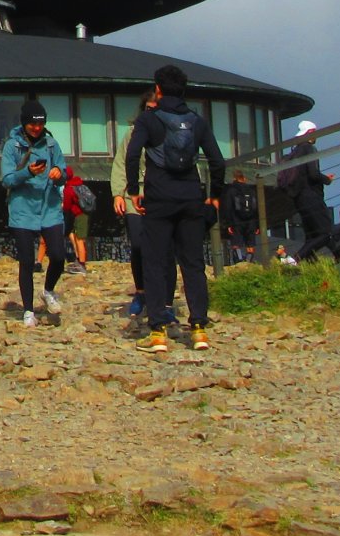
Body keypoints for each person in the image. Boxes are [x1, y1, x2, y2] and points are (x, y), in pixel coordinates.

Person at [124, 66, 225, 353]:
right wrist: (214, 195)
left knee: (155, 262)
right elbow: (218, 162)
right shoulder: (197, 121)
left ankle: (157, 333)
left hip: (158, 197)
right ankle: (199, 329)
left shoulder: (148, 118)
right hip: (191, 196)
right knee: (193, 263)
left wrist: (134, 190)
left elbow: (133, 155)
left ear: (158, 88)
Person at [1, 99, 70, 327]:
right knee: (27, 261)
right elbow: (7, 179)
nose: (36, 128)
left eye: (40, 124)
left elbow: (63, 171)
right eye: (32, 124)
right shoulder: (12, 146)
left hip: (49, 207)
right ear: (24, 123)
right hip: (22, 210)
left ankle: (48, 290)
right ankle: (28, 311)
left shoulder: (51, 144)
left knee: (59, 256)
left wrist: (58, 173)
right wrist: (28, 172)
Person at [111, 89, 160, 325]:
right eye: (148, 109)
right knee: (139, 244)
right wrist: (117, 194)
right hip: (134, 193)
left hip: (161, 195)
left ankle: (161, 297)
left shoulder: (169, 133)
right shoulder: (132, 134)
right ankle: (141, 292)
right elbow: (121, 163)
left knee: (162, 247)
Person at [280, 122, 339, 262]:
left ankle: (316, 263)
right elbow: (313, 174)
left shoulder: (295, 152)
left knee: (312, 235)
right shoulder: (309, 148)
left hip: (298, 198)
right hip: (311, 196)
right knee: (326, 233)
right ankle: (295, 259)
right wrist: (327, 180)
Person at [221, 172, 261, 261]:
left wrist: (228, 224)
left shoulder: (231, 190)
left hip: (236, 221)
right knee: (250, 244)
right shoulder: (251, 190)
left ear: (234, 179)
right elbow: (256, 208)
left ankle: (239, 262)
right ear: (244, 178)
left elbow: (227, 207)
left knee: (236, 243)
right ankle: (248, 261)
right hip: (251, 221)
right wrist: (257, 225)